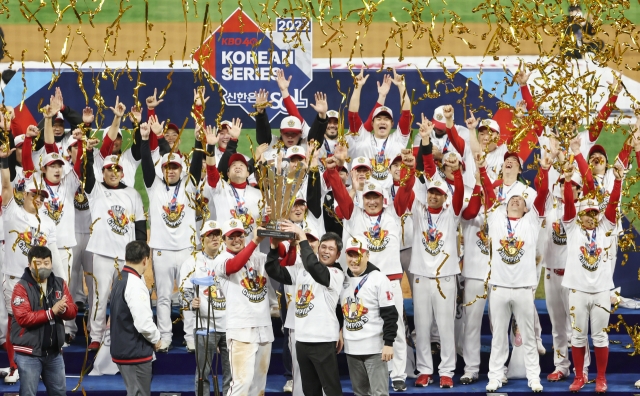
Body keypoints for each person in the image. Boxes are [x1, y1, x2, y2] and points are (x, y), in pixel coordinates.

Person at [394, 126, 481, 388]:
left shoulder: (452, 211)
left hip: (445, 275)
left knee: (445, 326)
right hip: (420, 274)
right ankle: (424, 370)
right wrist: (419, 149)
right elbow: (409, 187)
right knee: (421, 325)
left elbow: (456, 191)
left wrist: (450, 170)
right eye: (431, 191)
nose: (433, 195)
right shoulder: (419, 208)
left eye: (438, 193)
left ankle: (446, 370)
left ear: (445, 197)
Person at [481, 152, 552, 393]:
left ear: (526, 208)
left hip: (523, 288)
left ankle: (534, 378)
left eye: (519, 201)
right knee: (498, 337)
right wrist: (482, 169)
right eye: (511, 200)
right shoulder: (496, 219)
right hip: (499, 287)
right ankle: (495, 376)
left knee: (529, 338)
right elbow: (490, 194)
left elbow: (541, 197)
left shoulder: (531, 222)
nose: (514, 201)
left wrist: (543, 171)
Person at [83, 98, 147, 350]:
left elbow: (140, 224)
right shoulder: (95, 189)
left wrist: (142, 253)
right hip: (101, 253)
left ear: (121, 172)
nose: (112, 173)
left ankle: (123, 335)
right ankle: (96, 338)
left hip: (126, 256)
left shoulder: (132, 194)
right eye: (108, 170)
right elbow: (88, 172)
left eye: (116, 170)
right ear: (104, 172)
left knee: (128, 298)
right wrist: (88, 153)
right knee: (99, 299)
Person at [140, 118, 204, 353]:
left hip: (187, 249)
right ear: (163, 170)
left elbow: (197, 164)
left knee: (188, 295)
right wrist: (146, 140)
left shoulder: (189, 185)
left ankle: (190, 337)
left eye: (175, 167)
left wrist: (198, 139)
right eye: (167, 168)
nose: (171, 171)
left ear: (181, 170)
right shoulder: (153, 186)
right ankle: (165, 336)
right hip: (161, 249)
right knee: (164, 297)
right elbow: (146, 163)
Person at [562, 161, 624, 393]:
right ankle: (579, 376)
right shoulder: (572, 227)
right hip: (577, 290)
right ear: (579, 215)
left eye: (593, 213)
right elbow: (568, 204)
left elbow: (614, 203)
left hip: (600, 290)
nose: (590, 217)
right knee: (577, 337)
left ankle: (601, 378)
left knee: (600, 337)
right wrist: (568, 182)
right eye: (586, 213)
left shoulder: (606, 226)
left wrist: (618, 180)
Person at [1, 146, 61, 384]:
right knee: (13, 321)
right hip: (15, 277)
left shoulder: (48, 222)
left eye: (42, 196)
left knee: (38, 321)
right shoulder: (11, 212)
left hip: (41, 282)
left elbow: (53, 253)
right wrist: (4, 161)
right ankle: (15, 366)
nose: (38, 199)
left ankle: (39, 361)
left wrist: (59, 280)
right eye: (34, 195)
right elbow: (6, 187)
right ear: (24, 195)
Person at [265, 223, 344, 396]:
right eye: (323, 246)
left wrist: (301, 237)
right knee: (310, 390)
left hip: (323, 340)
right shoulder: (301, 270)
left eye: (331, 249)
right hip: (302, 340)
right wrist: (273, 247)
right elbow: (273, 270)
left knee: (331, 390)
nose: (325, 251)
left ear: (338, 255)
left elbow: (316, 269)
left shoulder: (335, 274)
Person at [212, 219, 269, 396]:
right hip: (240, 329)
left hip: (264, 327)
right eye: (232, 237)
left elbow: (283, 261)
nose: (236, 240)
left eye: (240, 236)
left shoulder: (257, 257)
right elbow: (235, 266)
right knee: (241, 384)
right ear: (224, 240)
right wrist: (255, 242)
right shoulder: (221, 259)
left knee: (258, 387)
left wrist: (276, 241)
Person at [10, 245, 77, 396]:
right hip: (29, 354)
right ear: (29, 264)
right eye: (37, 263)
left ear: (51, 263)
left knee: (59, 393)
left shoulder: (60, 283)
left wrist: (63, 309)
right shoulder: (20, 287)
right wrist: (51, 312)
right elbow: (23, 318)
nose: (42, 267)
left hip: (54, 353)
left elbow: (72, 311)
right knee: (28, 393)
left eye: (46, 263)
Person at [341, 237, 398, 396]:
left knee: (379, 393)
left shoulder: (379, 279)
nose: (354, 260)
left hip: (375, 348)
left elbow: (390, 314)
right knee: (359, 393)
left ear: (367, 255)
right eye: (350, 255)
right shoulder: (343, 279)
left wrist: (388, 343)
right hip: (351, 347)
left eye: (358, 255)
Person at [179, 220, 231, 396]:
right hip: (205, 326)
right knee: (203, 373)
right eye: (211, 235)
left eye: (218, 234)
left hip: (230, 323)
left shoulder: (229, 259)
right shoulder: (191, 262)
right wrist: (190, 302)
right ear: (202, 239)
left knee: (231, 375)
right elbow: (183, 293)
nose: (215, 238)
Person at [110, 241, 162, 396]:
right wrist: (156, 339)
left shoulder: (120, 278)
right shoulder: (135, 284)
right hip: (134, 352)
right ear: (145, 260)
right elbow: (144, 324)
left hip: (124, 348)